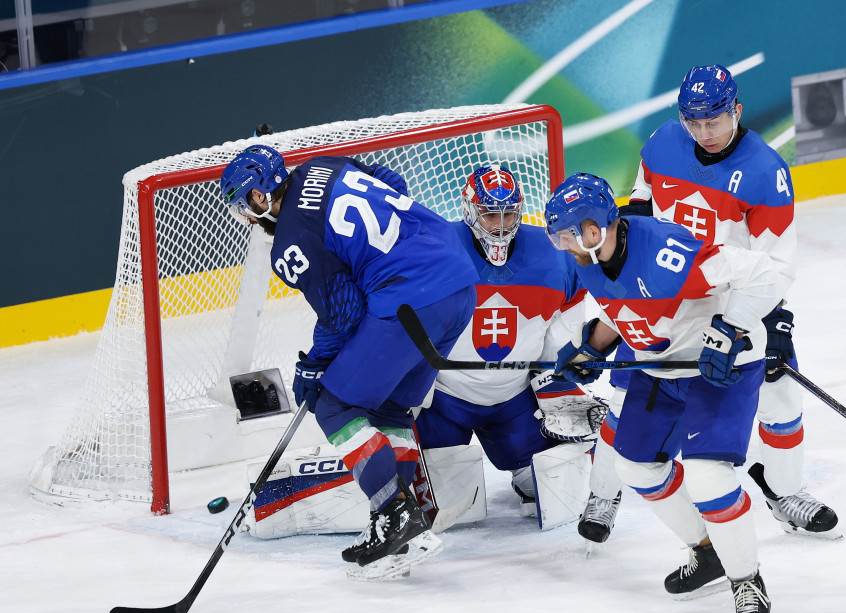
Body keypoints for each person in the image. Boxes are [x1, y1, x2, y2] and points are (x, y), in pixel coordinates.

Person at [579, 64, 840, 547]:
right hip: (660, 297)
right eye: (694, 123)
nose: (705, 133)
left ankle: (784, 492)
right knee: (626, 398)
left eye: (715, 121)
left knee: (781, 396)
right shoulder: (661, 143)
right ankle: (602, 493)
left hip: (731, 295)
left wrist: (770, 322)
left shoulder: (765, 171)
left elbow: (774, 262)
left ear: (736, 111)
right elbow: (637, 208)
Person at [219, 145, 478, 580]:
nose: (245, 215)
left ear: (262, 196)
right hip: (458, 284)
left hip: (409, 300)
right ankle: (402, 524)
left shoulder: (290, 242)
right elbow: (393, 182)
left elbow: (344, 312)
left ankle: (394, 512)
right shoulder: (327, 165)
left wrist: (313, 366)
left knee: (335, 405)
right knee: (390, 408)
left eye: (245, 203)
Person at [545, 172, 777, 613]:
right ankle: (707, 552)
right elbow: (620, 305)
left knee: (708, 475)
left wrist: (731, 329)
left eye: (567, 234)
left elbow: (765, 274)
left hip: (719, 368)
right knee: (637, 467)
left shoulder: (668, 252)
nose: (562, 245)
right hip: (662, 368)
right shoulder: (591, 258)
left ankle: (747, 580)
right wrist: (593, 346)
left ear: (594, 229)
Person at [415, 164, 604, 519]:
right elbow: (400, 318)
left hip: (513, 398)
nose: (501, 225)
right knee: (442, 508)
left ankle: (523, 464)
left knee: (560, 492)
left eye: (509, 213)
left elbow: (568, 319)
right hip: (442, 398)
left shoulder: (555, 252)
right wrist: (407, 385)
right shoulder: (432, 248)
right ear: (470, 210)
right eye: (490, 214)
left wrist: (557, 379)